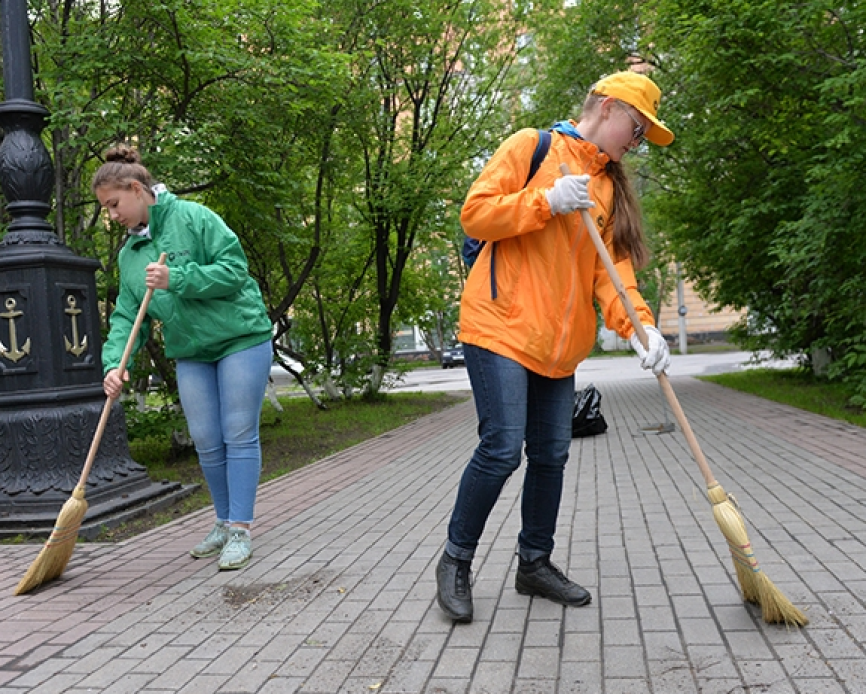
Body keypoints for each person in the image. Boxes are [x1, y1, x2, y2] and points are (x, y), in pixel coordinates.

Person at [436, 71, 674, 622]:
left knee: (552, 455)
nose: (635, 145)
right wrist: (544, 200)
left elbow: (611, 274)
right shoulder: (530, 146)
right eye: (636, 131)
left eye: (640, 138)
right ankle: (455, 560)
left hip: (558, 345)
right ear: (609, 109)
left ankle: (533, 563)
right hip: (500, 327)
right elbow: (476, 213)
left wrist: (644, 330)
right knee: (501, 448)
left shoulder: (607, 188)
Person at [93, 145, 273, 571]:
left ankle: (241, 530)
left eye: (114, 204)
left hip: (239, 337)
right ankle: (224, 520)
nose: (112, 215)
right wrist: (115, 365)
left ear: (136, 189)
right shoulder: (130, 255)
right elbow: (125, 317)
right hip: (192, 350)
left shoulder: (193, 218)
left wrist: (179, 278)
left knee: (238, 430)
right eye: (106, 208)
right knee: (207, 438)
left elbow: (235, 271)